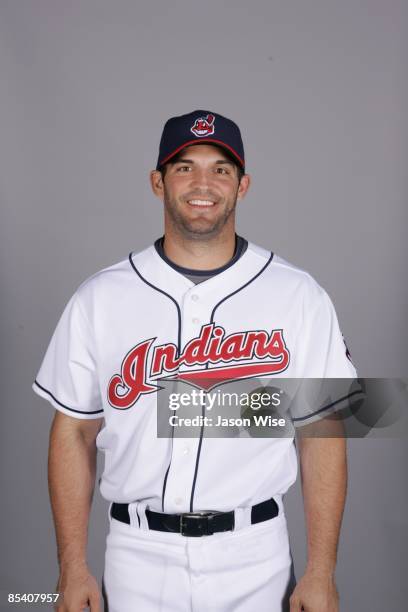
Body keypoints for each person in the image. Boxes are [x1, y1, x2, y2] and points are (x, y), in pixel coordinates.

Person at [32, 110, 360, 612]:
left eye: (221, 169)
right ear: (157, 181)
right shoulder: (100, 297)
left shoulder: (298, 295)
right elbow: (74, 430)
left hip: (256, 555)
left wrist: (320, 572)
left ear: (243, 185)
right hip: (136, 553)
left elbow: (323, 432)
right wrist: (72, 566)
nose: (203, 182)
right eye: (184, 167)